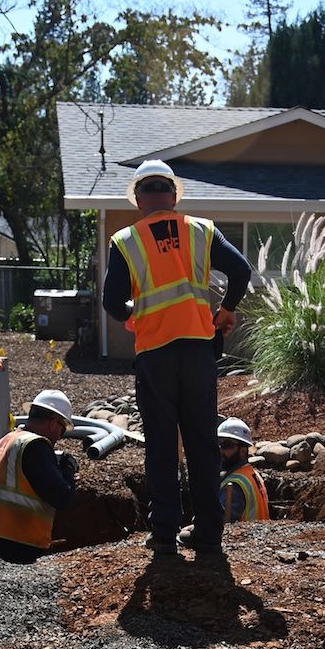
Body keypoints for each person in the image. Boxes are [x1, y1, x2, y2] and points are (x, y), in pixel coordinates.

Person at [103, 159, 252, 561]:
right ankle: (208, 535)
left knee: (162, 446)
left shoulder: (126, 241)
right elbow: (241, 270)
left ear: (138, 199)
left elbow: (111, 303)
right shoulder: (201, 230)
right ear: (172, 196)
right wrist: (226, 310)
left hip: (155, 356)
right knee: (203, 443)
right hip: (199, 353)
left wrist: (137, 317)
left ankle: (165, 535)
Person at [0, 389, 80, 564]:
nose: (58, 438)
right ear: (54, 424)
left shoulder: (7, 440)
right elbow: (62, 498)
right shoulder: (37, 446)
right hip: (22, 545)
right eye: (62, 431)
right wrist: (68, 471)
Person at [217, 418, 270, 524]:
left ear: (242, 451)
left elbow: (221, 526)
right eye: (218, 444)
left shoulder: (234, 485)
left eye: (227, 445)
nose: (220, 450)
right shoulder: (252, 474)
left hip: (243, 539)